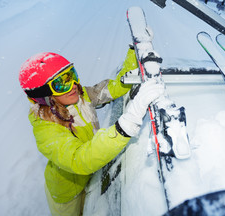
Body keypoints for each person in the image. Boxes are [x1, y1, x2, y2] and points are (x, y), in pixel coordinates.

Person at [18, 48, 164, 216]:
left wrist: (134, 51)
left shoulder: (81, 96)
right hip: (67, 192)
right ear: (44, 96)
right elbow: (79, 160)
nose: (73, 85)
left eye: (71, 75)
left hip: (89, 174)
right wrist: (125, 125)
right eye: (61, 84)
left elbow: (113, 88)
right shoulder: (46, 129)